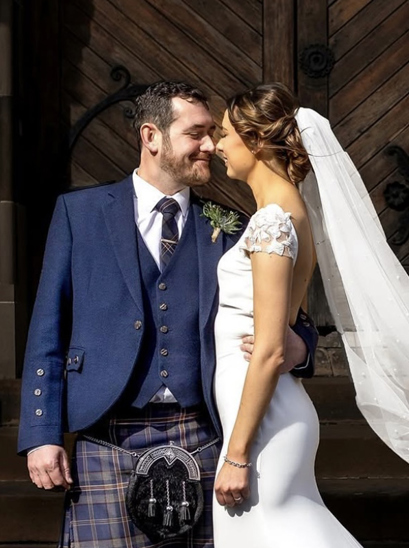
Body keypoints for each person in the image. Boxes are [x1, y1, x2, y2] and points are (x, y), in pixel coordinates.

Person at [16, 81, 318, 548]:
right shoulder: (81, 213)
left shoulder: (232, 224)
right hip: (106, 434)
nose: (211, 146)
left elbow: (282, 313)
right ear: (151, 136)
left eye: (214, 134)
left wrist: (301, 347)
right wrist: (41, 431)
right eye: (196, 133)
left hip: (203, 435)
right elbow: (47, 329)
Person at [212, 83, 409, 547]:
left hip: (263, 420)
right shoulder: (289, 213)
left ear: (257, 140)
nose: (218, 146)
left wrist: (238, 453)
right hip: (265, 413)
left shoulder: (271, 222)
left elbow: (267, 349)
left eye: (225, 134)